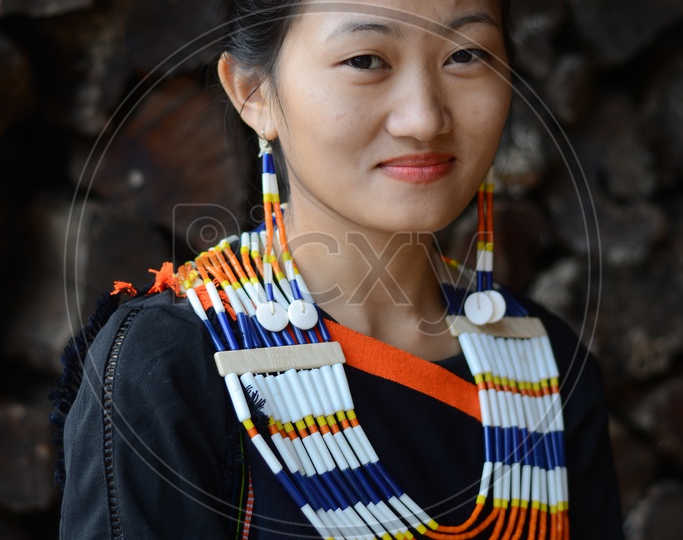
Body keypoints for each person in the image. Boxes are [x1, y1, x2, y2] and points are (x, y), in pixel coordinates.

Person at [56, 1, 624, 538]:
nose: (424, 119)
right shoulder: (168, 364)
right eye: (365, 60)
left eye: (466, 55)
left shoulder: (545, 363)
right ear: (253, 92)